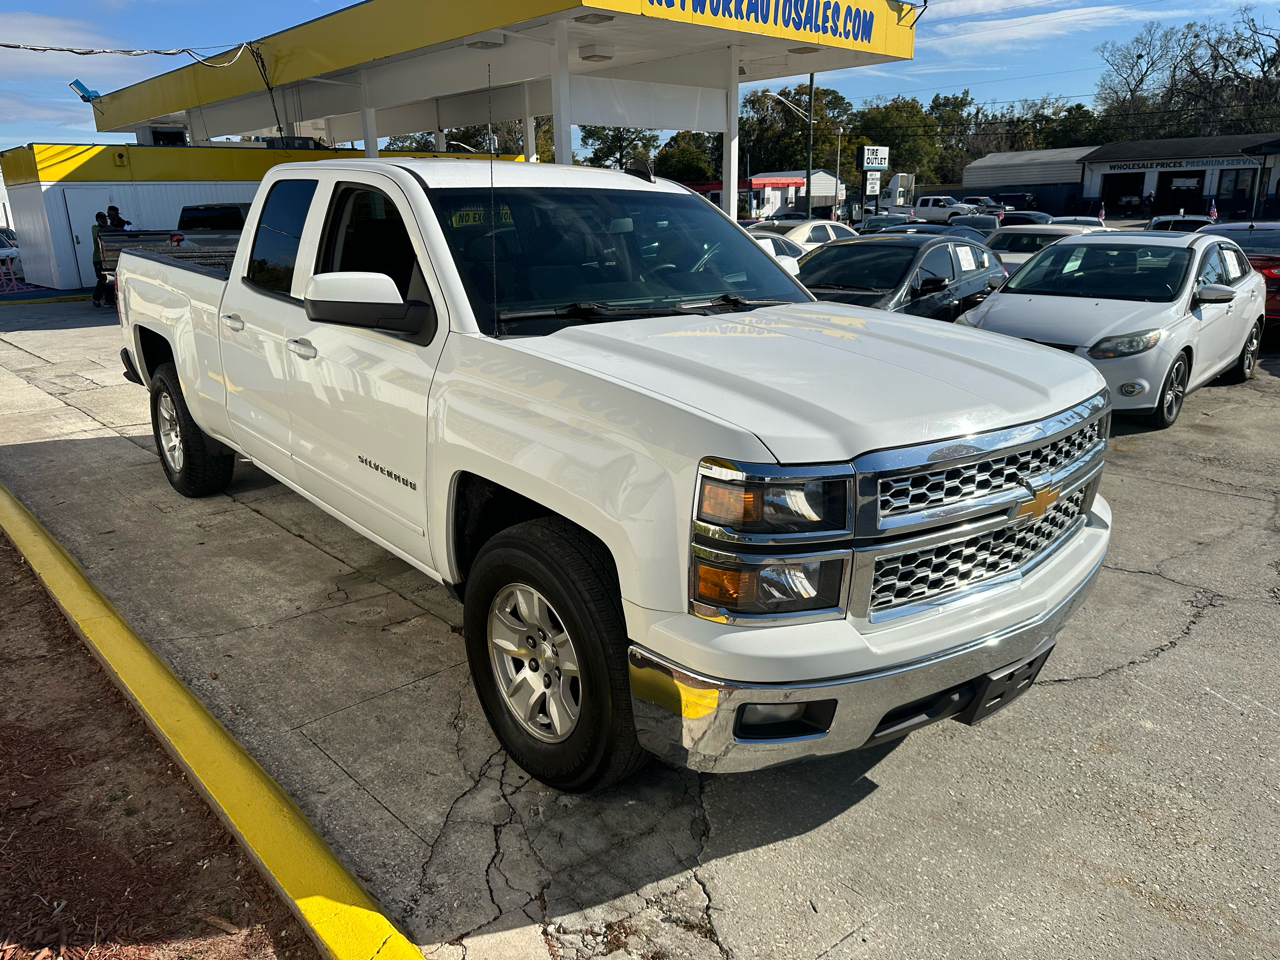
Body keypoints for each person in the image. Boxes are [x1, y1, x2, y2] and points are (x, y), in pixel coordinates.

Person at [91, 212, 112, 307]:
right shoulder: (95, 228)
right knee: (102, 279)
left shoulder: (109, 228)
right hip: (98, 259)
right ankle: (96, 297)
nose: (104, 221)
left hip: (108, 258)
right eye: (101, 219)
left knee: (109, 279)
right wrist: (112, 228)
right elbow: (99, 232)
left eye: (105, 219)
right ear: (97, 220)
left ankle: (109, 300)